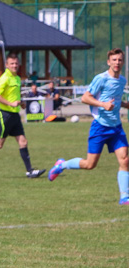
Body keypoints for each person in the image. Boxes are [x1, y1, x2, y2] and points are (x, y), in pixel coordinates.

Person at [48, 49, 129, 203]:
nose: (117, 63)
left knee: (125, 160)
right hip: (100, 126)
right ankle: (61, 165)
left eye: (119, 60)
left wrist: (125, 104)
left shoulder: (122, 81)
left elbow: (116, 100)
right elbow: (85, 98)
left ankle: (124, 196)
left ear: (122, 62)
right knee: (90, 164)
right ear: (108, 62)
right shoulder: (101, 79)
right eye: (114, 60)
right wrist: (103, 105)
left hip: (116, 127)